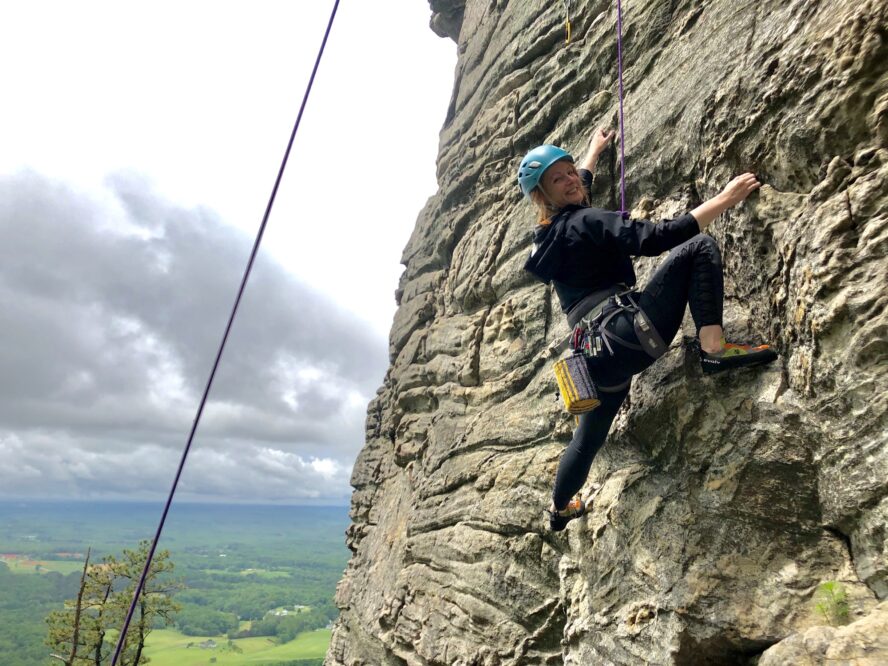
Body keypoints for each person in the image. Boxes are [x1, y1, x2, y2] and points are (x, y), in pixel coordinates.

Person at [519, 129, 778, 531]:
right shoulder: (585, 221)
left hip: (596, 358)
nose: (572, 180)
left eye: (571, 172)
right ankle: (714, 349)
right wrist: (728, 196)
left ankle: (560, 509)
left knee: (586, 442)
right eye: (559, 179)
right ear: (542, 195)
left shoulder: (548, 235)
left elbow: (578, 189)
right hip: (628, 331)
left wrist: (593, 152)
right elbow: (661, 238)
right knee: (700, 248)